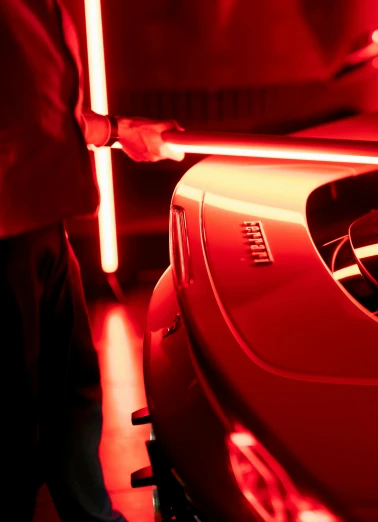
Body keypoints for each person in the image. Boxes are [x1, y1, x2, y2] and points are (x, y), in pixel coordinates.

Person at [0, 1, 184, 520]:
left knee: (71, 395)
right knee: (18, 427)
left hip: (41, 217)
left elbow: (35, 108)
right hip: (7, 227)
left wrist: (118, 130)